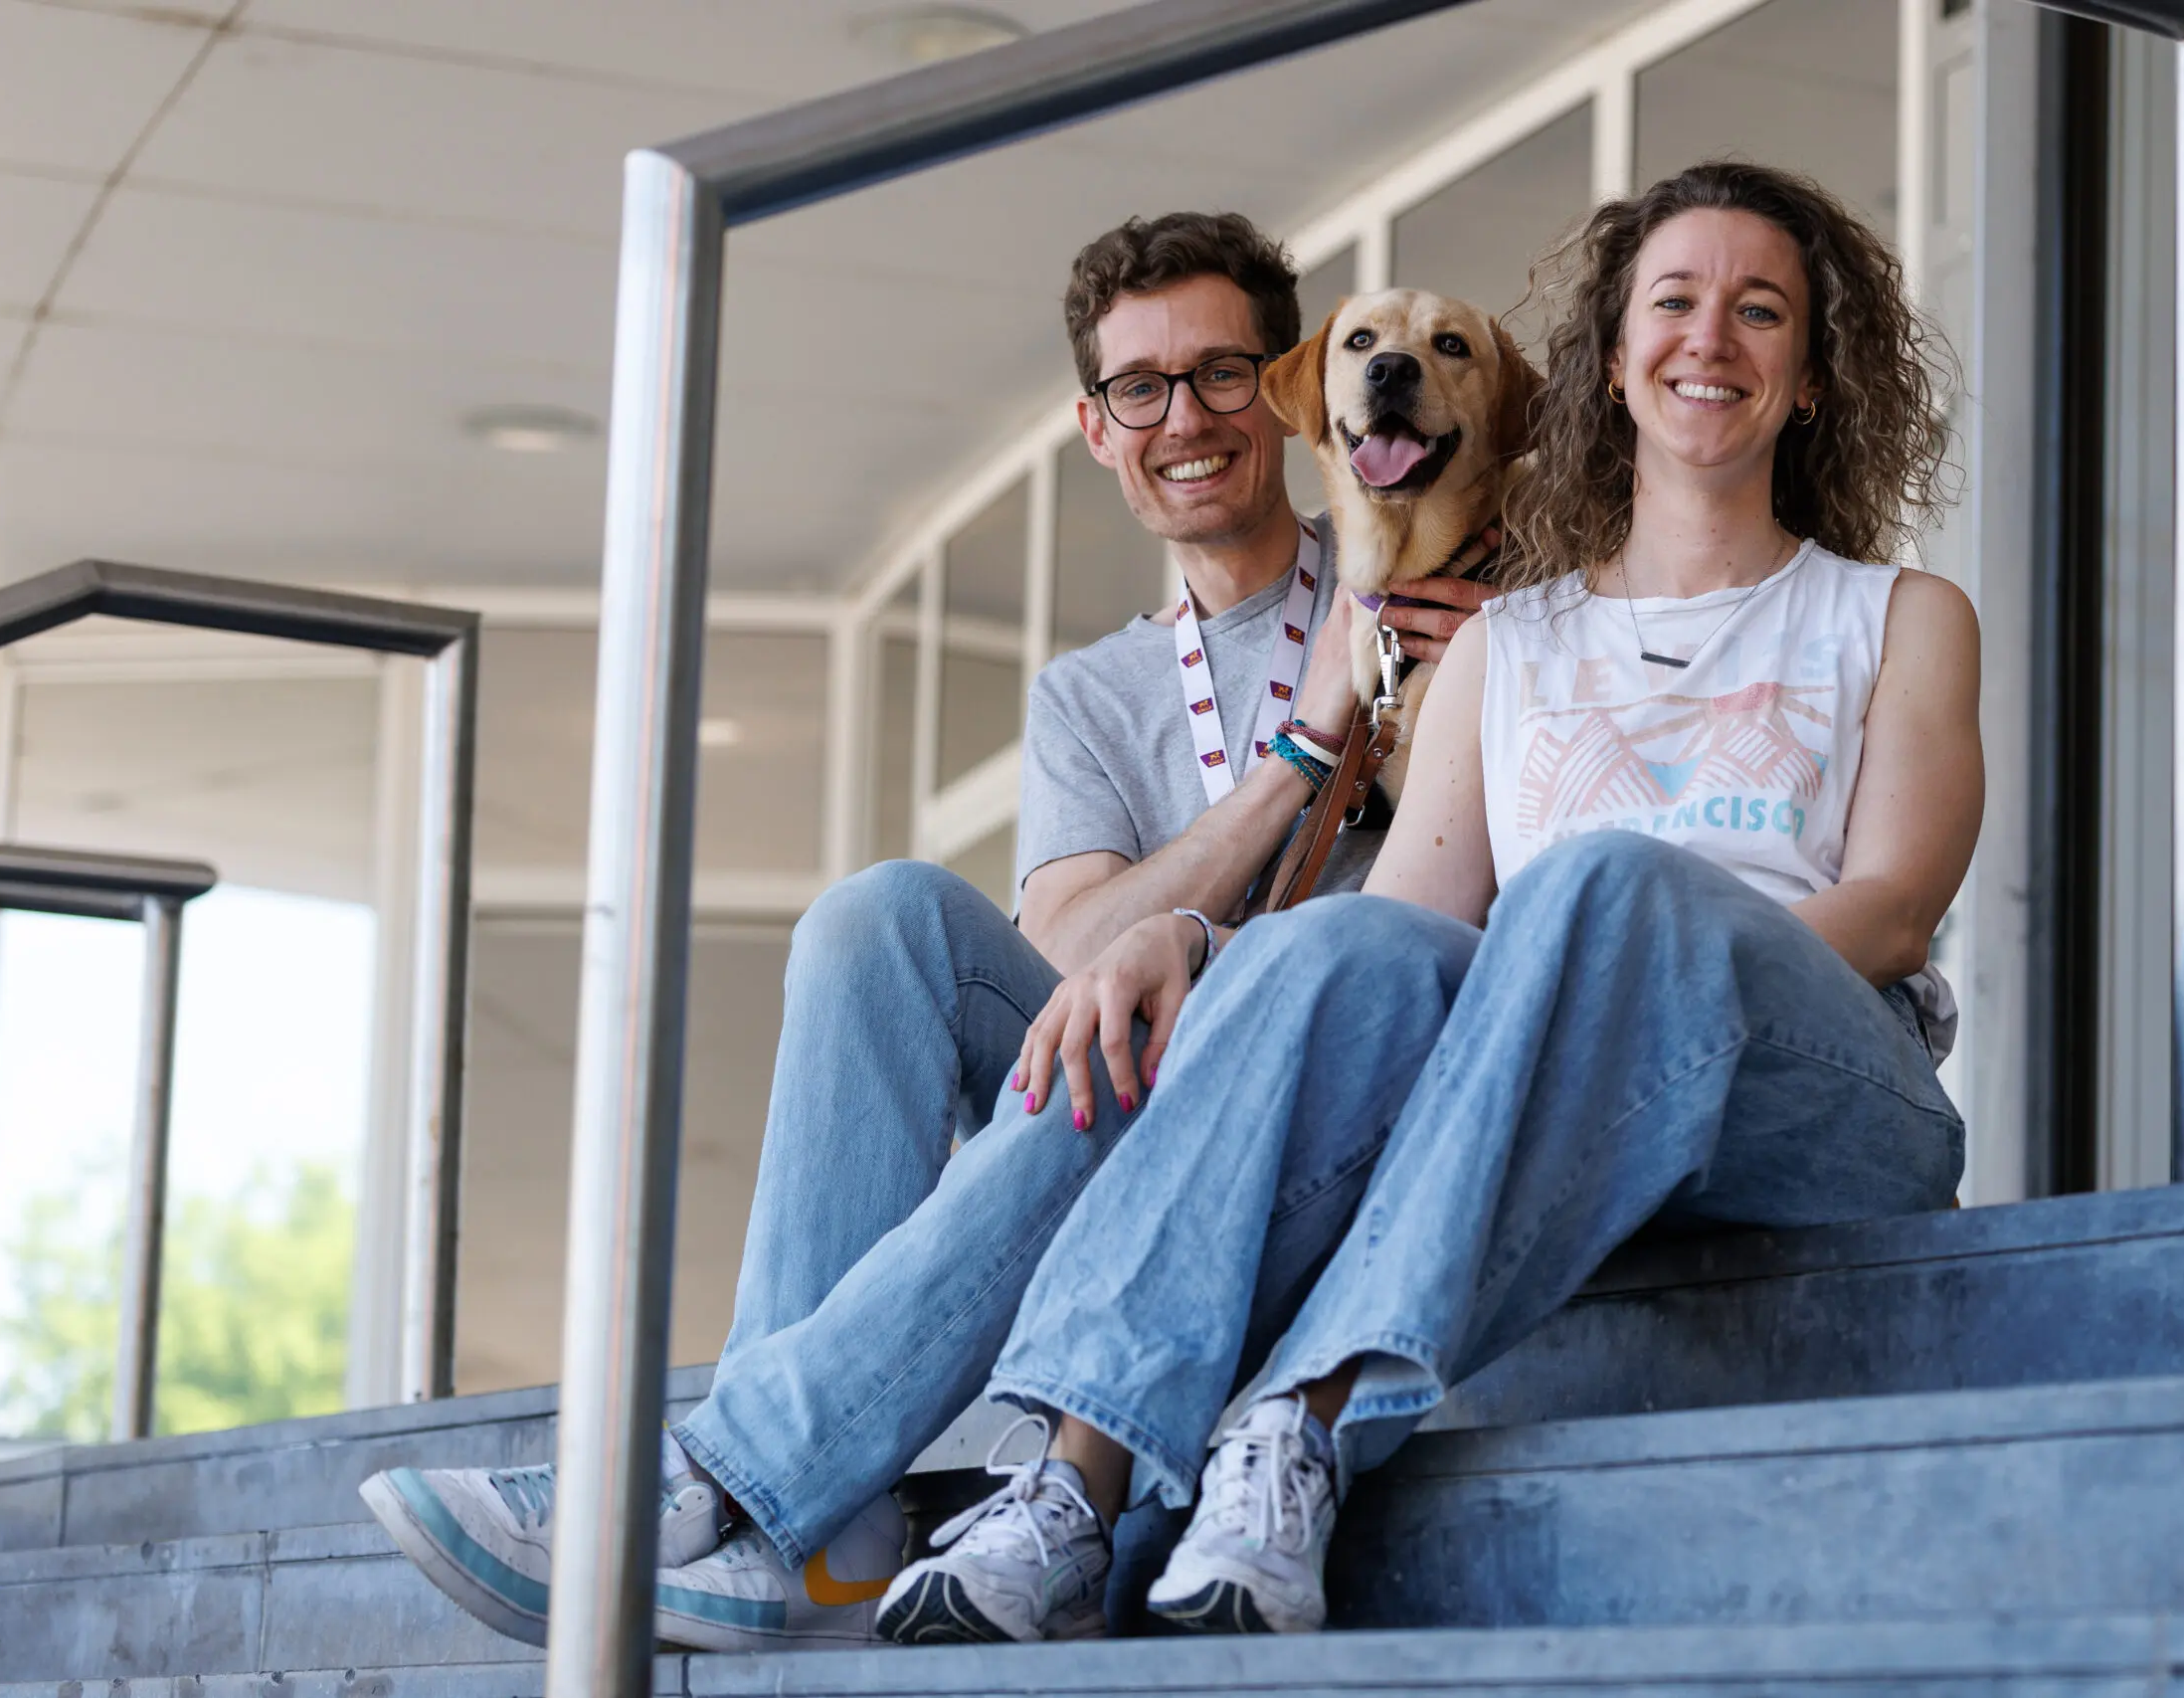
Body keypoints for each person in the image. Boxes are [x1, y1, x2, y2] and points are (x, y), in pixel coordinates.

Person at [875, 160, 1981, 1644]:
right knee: (1329, 950)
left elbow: (1897, 908)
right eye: (1674, 301)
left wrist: (1621, 957)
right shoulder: (1504, 642)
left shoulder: (1896, 613)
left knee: (1598, 892)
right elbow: (1393, 933)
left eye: (1760, 310)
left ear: (1813, 376)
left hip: (1826, 1085)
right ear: (1609, 359)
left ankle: (1305, 1409)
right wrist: (1193, 935)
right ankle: (1073, 1484)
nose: (1709, 336)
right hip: (1578, 1088)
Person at [360, 211, 1496, 1652]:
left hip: (1303, 1103)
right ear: (1096, 428)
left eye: (1220, 373)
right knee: (880, 916)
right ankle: (812, 1513)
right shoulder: (1093, 695)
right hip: (1124, 1061)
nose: (1185, 418)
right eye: (1139, 388)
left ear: (1285, 392)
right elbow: (1077, 949)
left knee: (1138, 1039)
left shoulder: (1431, 571)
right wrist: (1303, 740)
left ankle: (743, 1478)